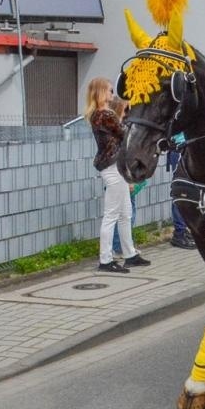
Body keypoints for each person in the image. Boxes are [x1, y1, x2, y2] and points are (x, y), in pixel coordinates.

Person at [86, 77, 147, 274]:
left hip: (114, 166)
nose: (113, 94)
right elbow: (125, 133)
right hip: (113, 166)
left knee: (125, 213)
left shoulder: (100, 114)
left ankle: (130, 254)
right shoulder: (105, 114)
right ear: (102, 92)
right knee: (112, 214)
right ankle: (106, 259)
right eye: (111, 90)